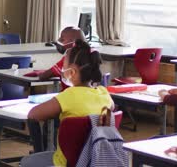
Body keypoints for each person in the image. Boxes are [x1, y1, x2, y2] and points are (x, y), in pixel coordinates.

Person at [21, 39, 114, 167]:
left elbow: (33, 114)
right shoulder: (105, 94)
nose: (62, 71)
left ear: (73, 72)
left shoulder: (69, 95)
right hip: (97, 160)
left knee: (26, 162)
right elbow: (111, 111)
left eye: (64, 67)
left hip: (66, 162)